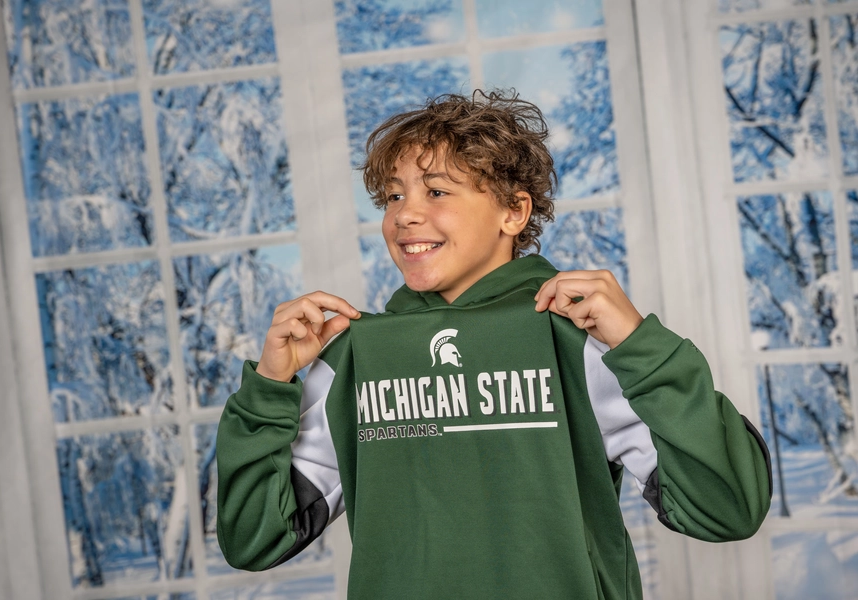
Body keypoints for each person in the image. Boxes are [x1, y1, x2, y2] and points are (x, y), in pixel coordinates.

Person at [216, 89, 772, 599]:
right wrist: (269, 387)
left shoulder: (577, 342)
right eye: (391, 197)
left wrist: (642, 347)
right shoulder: (356, 359)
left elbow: (728, 509)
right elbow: (255, 539)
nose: (404, 215)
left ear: (514, 211)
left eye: (436, 191)